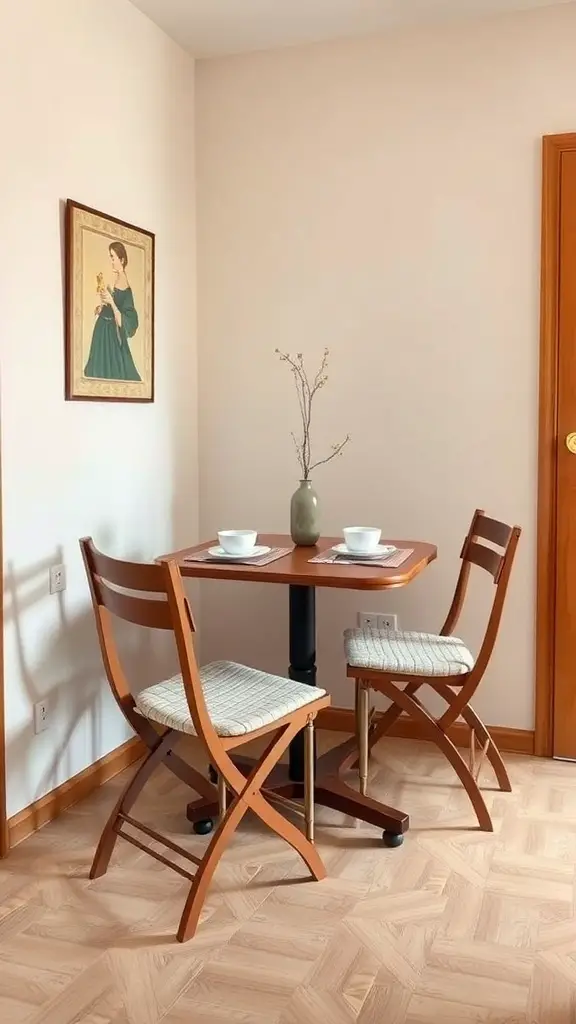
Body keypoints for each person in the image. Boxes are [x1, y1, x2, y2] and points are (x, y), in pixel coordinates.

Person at [84, 241, 141, 381]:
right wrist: (102, 307)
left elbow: (121, 316)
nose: (111, 261)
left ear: (121, 260)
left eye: (113, 257)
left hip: (110, 335)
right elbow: (114, 305)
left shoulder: (123, 281)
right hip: (105, 330)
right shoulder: (118, 279)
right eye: (110, 257)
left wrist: (110, 301)